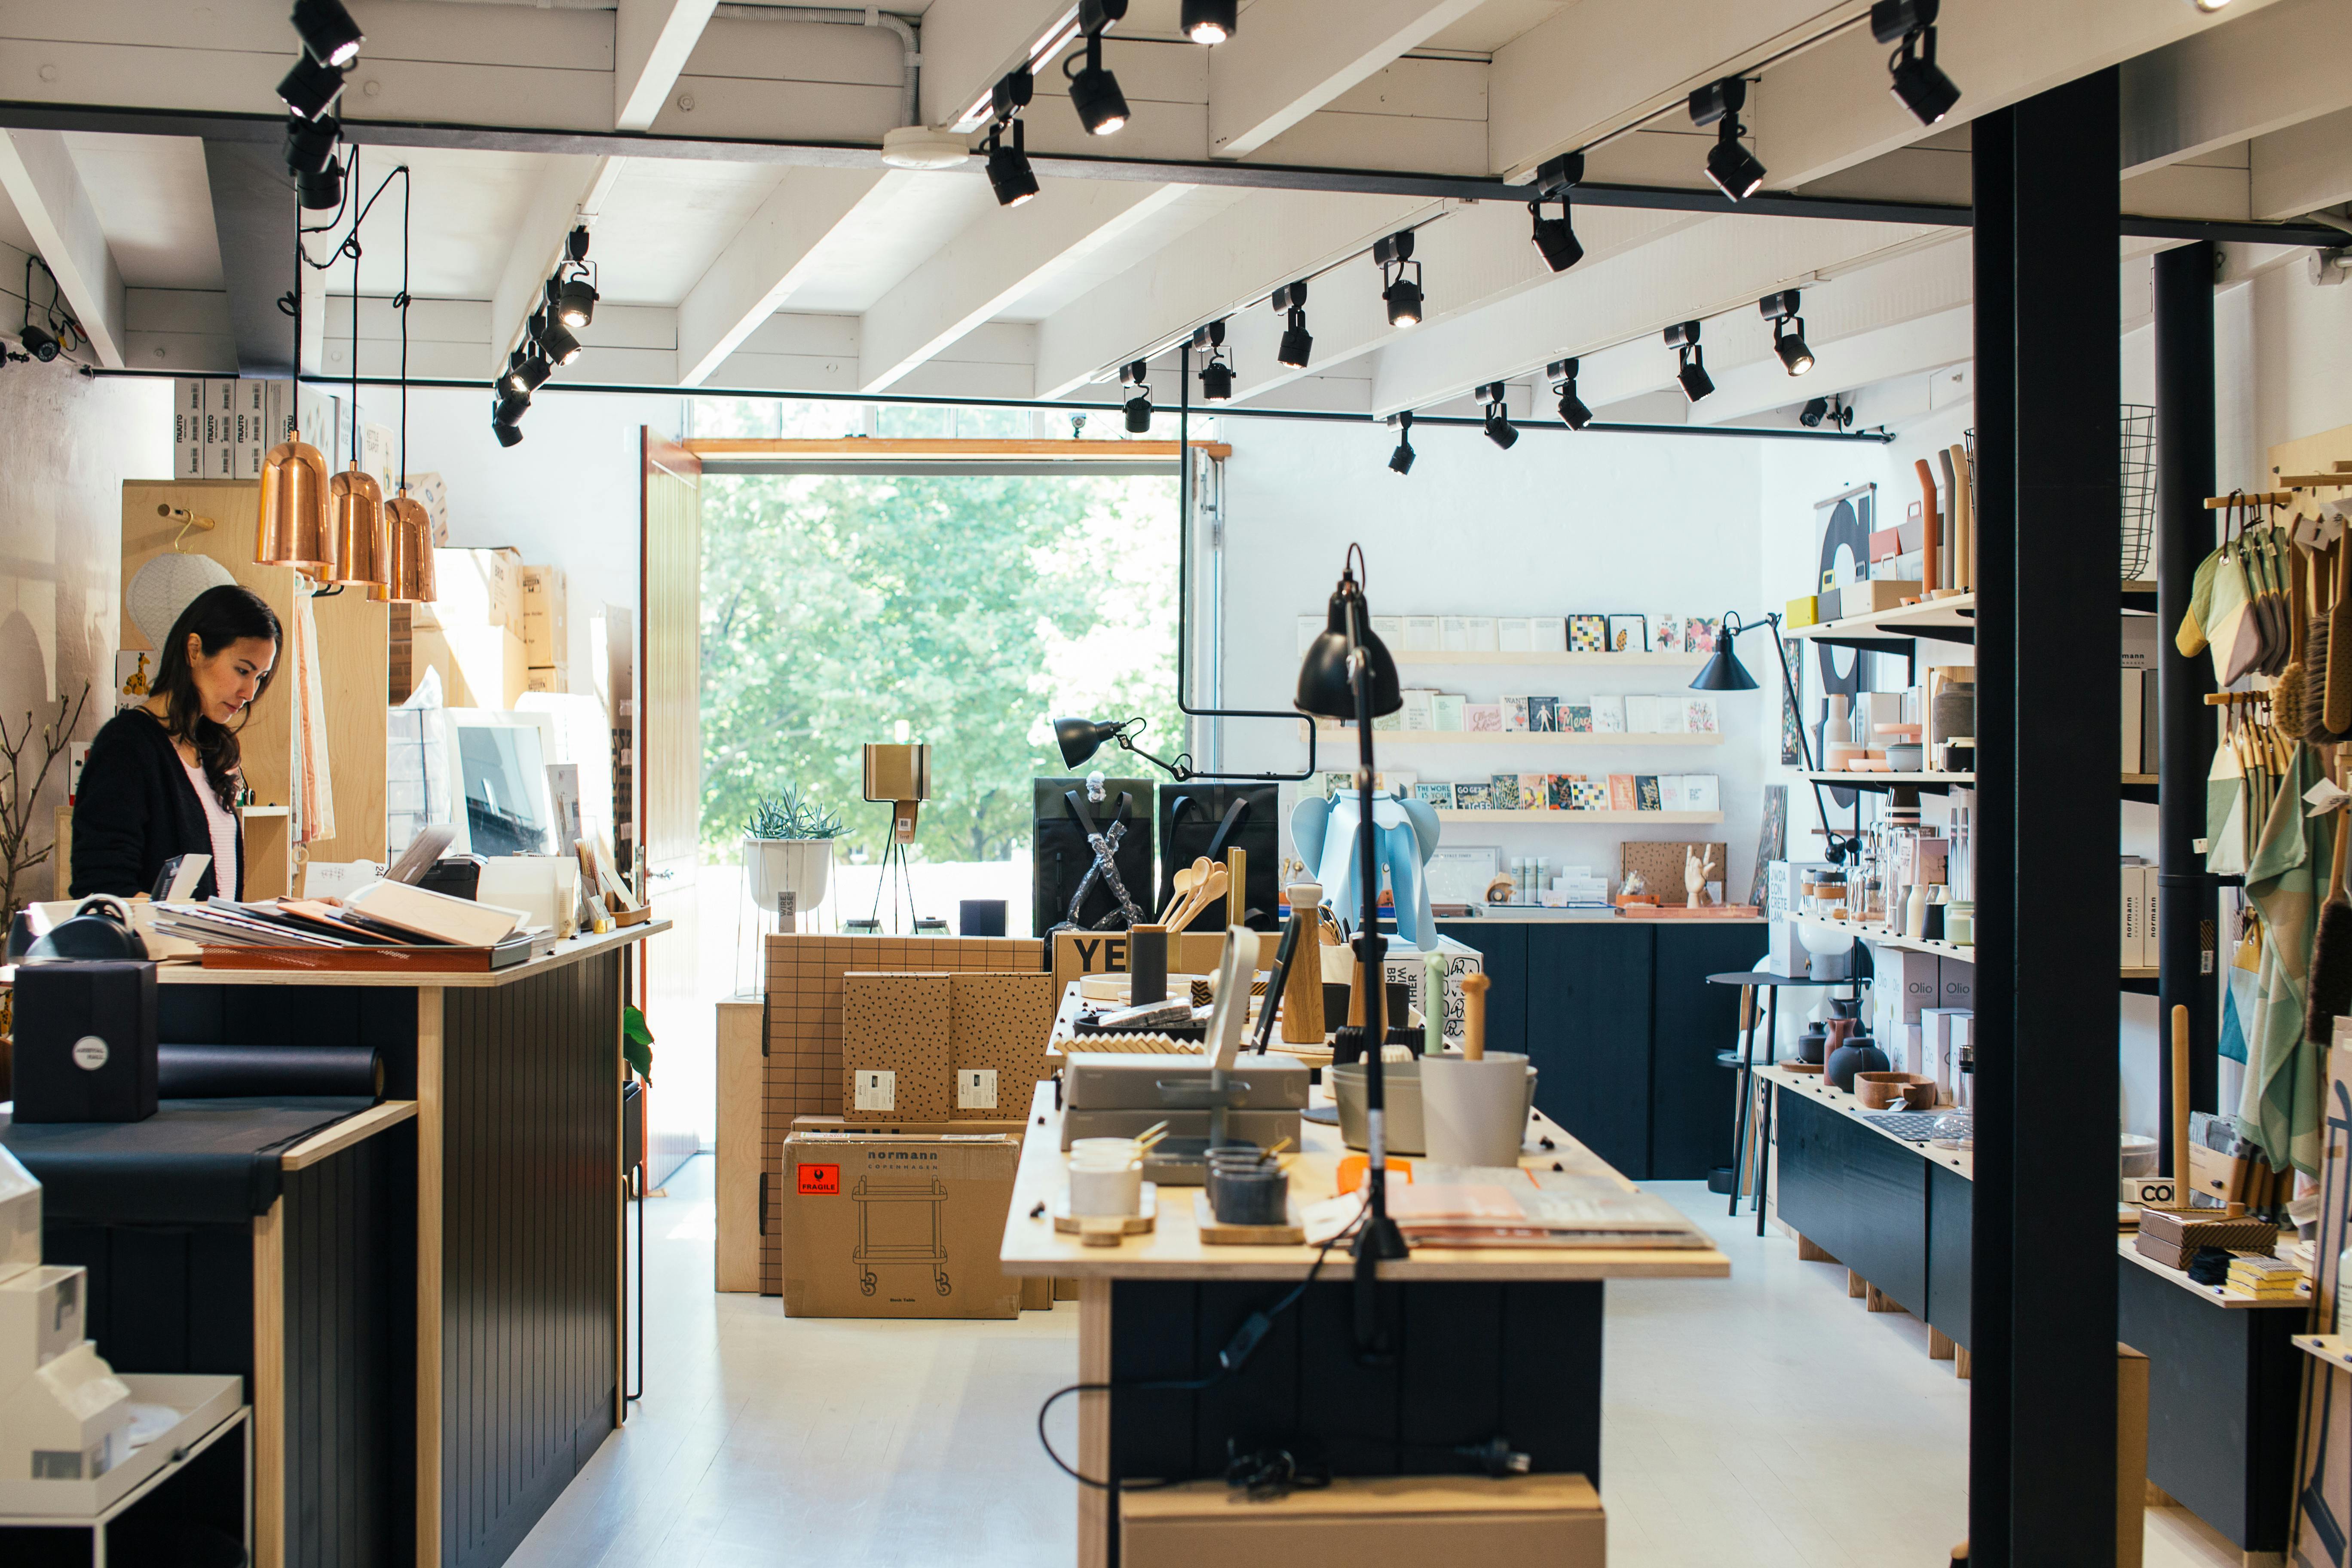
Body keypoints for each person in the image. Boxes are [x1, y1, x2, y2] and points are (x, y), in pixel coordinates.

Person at [72, 584, 282, 902]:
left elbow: (219, 905)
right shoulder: (126, 746)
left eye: (260, 678)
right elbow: (102, 889)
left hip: (207, 952)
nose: (250, 692)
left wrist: (288, 913)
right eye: (242, 670)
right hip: (156, 952)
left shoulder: (210, 752)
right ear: (194, 650)